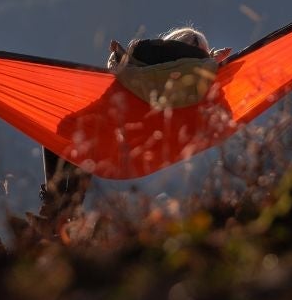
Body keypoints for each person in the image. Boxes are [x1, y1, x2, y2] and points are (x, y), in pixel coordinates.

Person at [37, 26, 212, 221]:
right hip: (123, 127)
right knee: (78, 142)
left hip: (111, 122)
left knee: (64, 135)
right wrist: (214, 63)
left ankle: (57, 208)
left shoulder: (146, 61)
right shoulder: (189, 76)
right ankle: (62, 211)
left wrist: (120, 58)